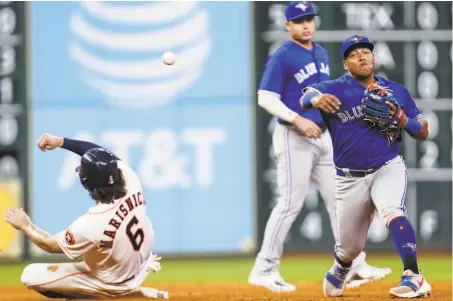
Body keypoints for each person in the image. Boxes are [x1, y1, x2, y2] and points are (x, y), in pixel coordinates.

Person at [249, 1, 391, 293]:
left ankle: (354, 265)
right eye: (298, 20)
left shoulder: (322, 52)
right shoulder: (283, 56)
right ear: (287, 25)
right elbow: (265, 97)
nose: (305, 24)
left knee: (342, 202)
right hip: (294, 137)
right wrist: (298, 119)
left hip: (324, 137)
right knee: (290, 203)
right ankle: (264, 268)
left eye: (309, 19)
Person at [300, 35, 432, 298]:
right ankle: (342, 266)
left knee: (393, 210)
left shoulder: (396, 91)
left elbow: (423, 131)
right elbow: (307, 95)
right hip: (349, 178)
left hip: (387, 166)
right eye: (354, 54)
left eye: (366, 51)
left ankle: (413, 275)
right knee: (350, 248)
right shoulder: (335, 88)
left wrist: (403, 119)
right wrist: (315, 101)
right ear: (346, 64)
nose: (361, 56)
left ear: (373, 57)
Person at [4, 133, 168, 299]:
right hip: (140, 264)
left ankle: (121, 295)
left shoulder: (93, 223)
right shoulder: (130, 177)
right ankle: (129, 286)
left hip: (113, 282)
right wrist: (61, 142)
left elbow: (50, 245)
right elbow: (99, 154)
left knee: (30, 275)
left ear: (86, 182)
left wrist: (26, 225)